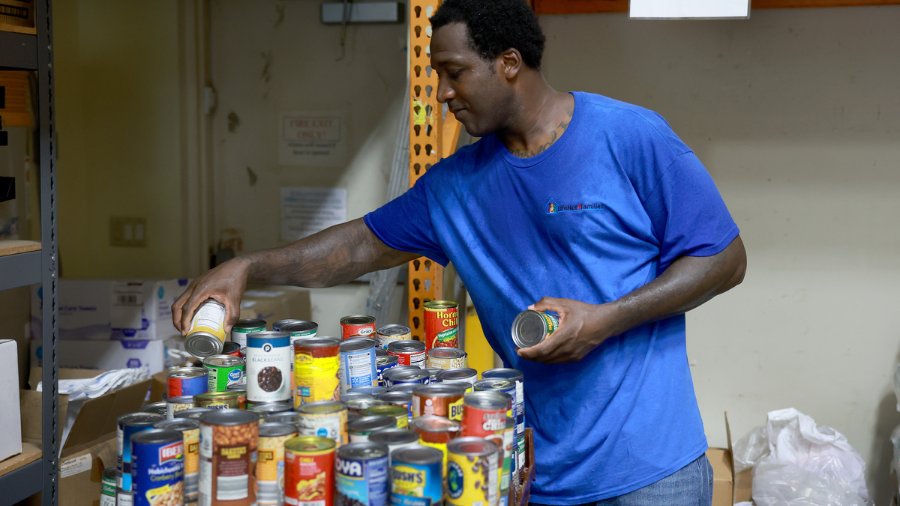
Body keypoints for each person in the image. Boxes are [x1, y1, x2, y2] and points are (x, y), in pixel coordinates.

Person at [173, 1, 747, 504]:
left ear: (509, 63)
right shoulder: (453, 187)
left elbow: (724, 259)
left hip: (652, 471)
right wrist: (249, 266)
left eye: (454, 73)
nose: (443, 93)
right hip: (533, 470)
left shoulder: (629, 137)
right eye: (437, 76)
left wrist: (606, 319)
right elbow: (357, 246)